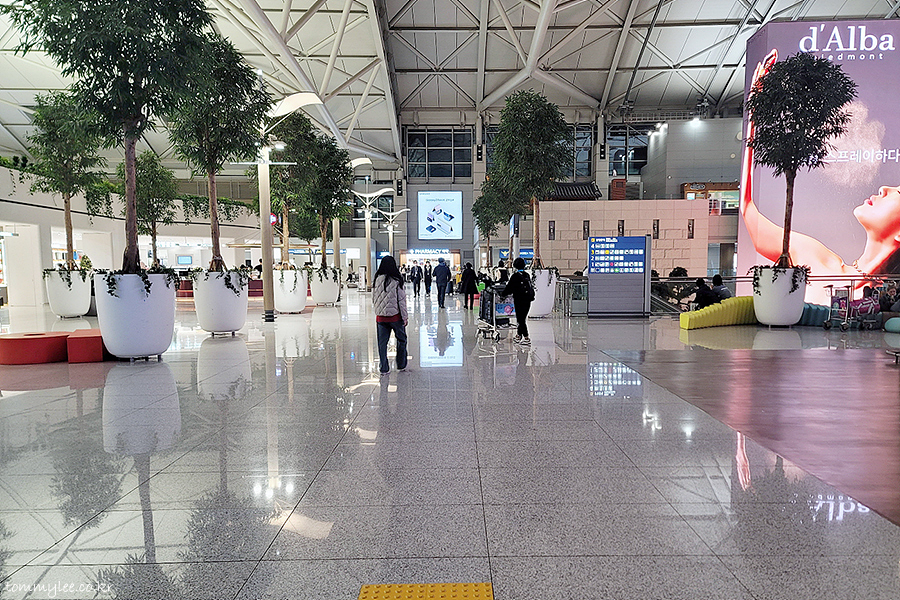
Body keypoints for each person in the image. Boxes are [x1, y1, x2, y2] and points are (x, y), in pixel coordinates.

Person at [742, 49, 900, 305]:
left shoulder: (889, 299)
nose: (884, 188)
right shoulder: (816, 258)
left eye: (898, 192)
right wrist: (754, 112)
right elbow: (748, 210)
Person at [372, 255, 408, 375]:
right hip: (395, 317)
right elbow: (401, 301)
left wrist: (378, 310)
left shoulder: (377, 279)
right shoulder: (397, 280)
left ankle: (384, 368)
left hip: (380, 318)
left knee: (382, 344)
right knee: (402, 340)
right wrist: (405, 317)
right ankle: (401, 364)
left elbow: (374, 298)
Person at [503, 257, 533, 345]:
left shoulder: (515, 276)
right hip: (528, 300)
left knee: (520, 319)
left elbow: (509, 288)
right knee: (522, 318)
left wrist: (503, 294)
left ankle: (526, 337)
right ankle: (518, 336)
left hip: (519, 300)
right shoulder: (527, 275)